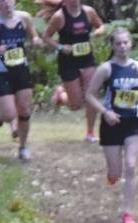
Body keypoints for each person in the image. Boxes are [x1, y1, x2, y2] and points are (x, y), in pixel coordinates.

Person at [85, 27, 138, 223]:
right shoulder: (106, 68)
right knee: (116, 171)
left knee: (130, 165)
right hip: (112, 122)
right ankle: (111, 173)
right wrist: (105, 112)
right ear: (113, 46)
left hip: (133, 122)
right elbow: (89, 95)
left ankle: (127, 212)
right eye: (118, 43)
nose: (122, 47)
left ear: (131, 44)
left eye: (125, 43)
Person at [0, 0, 40, 160]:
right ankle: (1, 114)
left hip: (21, 69)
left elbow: (33, 34)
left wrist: (35, 40)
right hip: (1, 71)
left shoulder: (24, 18)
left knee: (24, 110)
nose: (7, 3)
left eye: (9, 0)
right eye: (2, 1)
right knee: (9, 114)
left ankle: (23, 147)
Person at [43, 1, 106, 142]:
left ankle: (90, 132)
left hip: (87, 59)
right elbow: (46, 37)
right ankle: (61, 95)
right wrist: (60, 47)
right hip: (68, 62)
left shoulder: (89, 12)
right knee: (76, 105)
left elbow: (101, 26)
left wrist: (97, 32)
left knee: (91, 95)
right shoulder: (59, 17)